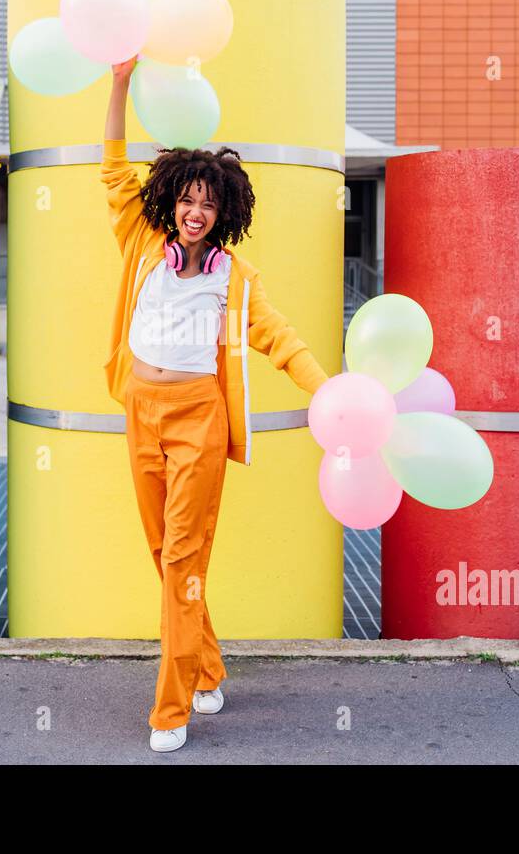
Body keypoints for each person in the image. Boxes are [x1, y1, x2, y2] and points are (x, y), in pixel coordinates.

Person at [101, 55, 330, 753]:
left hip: (200, 420)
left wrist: (329, 392)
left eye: (208, 203)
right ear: (170, 201)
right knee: (161, 550)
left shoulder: (236, 278)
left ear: (224, 211)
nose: (195, 212)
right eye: (185, 199)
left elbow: (280, 339)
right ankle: (207, 667)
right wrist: (118, 85)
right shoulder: (142, 243)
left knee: (183, 562)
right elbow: (112, 168)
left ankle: (171, 709)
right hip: (140, 406)